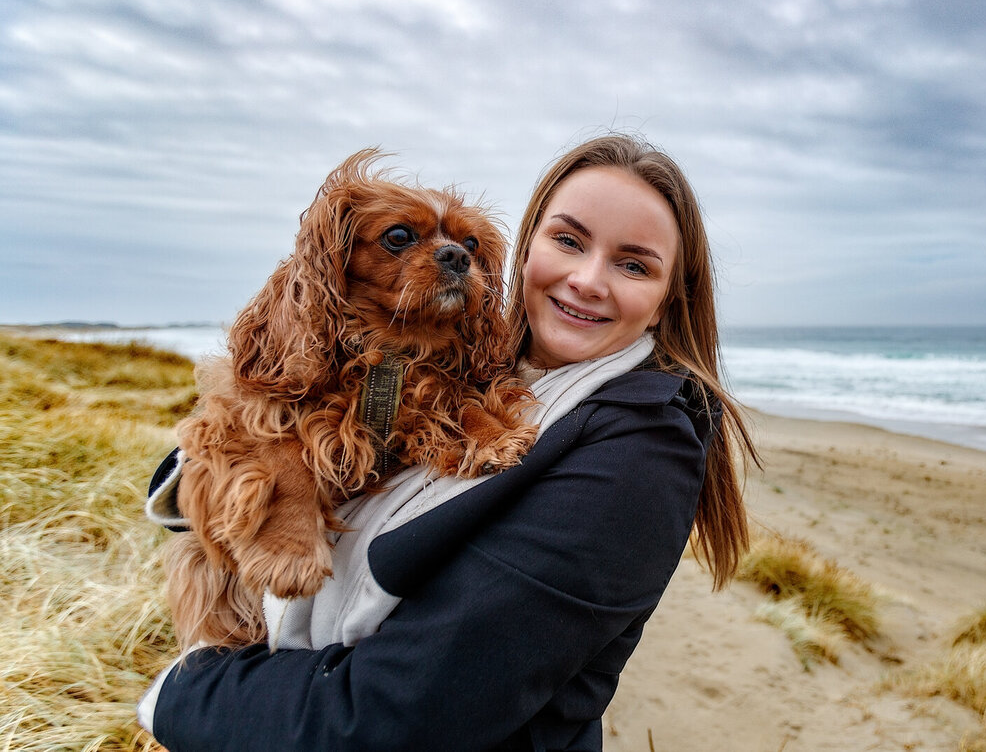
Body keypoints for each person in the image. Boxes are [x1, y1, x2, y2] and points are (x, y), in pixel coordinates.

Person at [137, 134, 758, 751]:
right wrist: (266, 476)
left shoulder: (640, 454)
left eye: (633, 264)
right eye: (568, 240)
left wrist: (179, 693)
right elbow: (205, 458)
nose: (588, 279)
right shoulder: (480, 366)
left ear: (665, 301)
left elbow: (400, 717)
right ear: (528, 251)